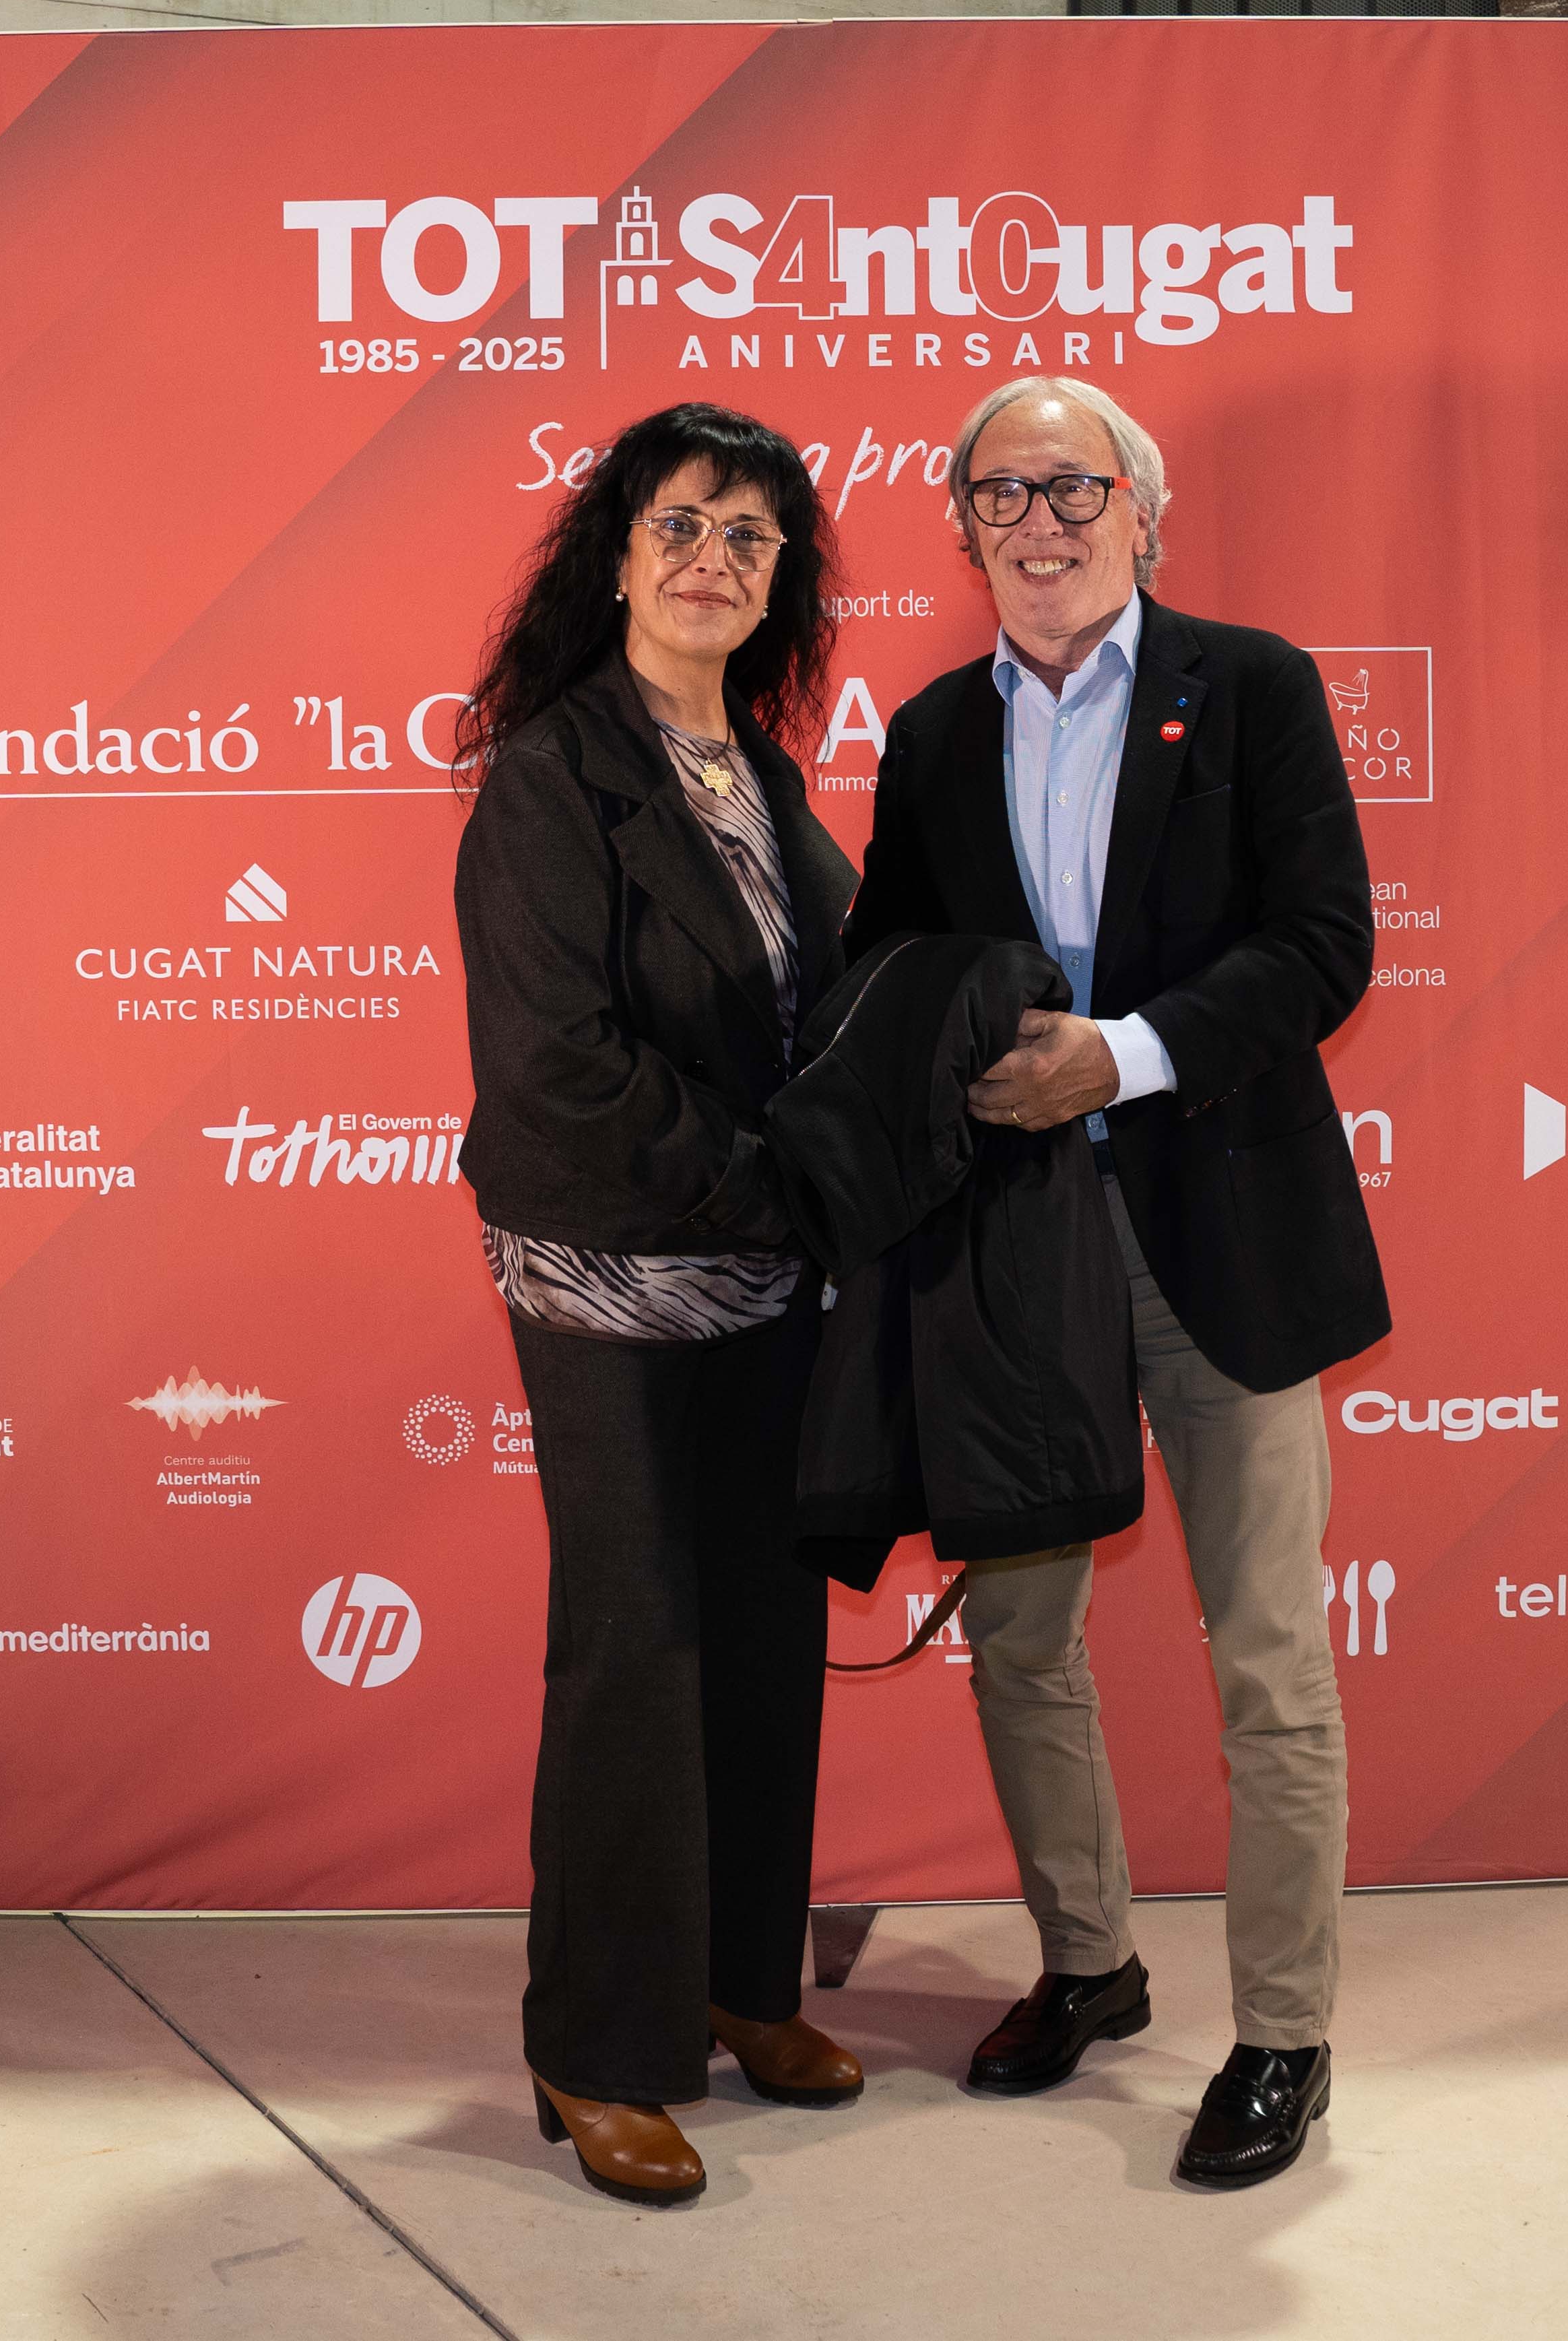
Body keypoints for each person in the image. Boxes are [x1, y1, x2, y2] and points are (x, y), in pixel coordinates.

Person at [842, 374, 1390, 2191]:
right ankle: (1090, 1964)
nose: (1044, 520)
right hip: (1013, 1263)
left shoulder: (1253, 688)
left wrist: (1127, 1056)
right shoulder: (926, 737)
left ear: (1144, 509)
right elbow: (886, 975)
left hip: (1221, 1238)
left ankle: (1287, 2033)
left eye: (1078, 485)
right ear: (968, 530)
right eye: (1005, 493)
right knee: (1017, 1636)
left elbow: (1324, 947)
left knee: (1269, 1656)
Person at [451, 399, 869, 2208]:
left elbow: (830, 1012)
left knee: (769, 1640)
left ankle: (736, 1983)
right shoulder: (552, 779)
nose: (715, 560)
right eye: (682, 524)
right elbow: (556, 1071)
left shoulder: (766, 777)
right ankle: (598, 2047)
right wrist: (788, 1173)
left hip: (770, 1278)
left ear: (782, 584)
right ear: (617, 549)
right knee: (643, 1649)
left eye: (752, 539)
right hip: (611, 1279)